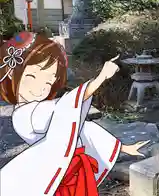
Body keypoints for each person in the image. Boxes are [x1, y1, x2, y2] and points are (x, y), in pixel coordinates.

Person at [0, 32, 149, 196]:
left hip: (73, 168)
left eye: (49, 81)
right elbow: (68, 106)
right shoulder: (26, 115)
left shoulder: (40, 108)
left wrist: (122, 147)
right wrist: (100, 78)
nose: (42, 87)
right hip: (62, 174)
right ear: (11, 77)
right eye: (32, 76)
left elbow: (82, 127)